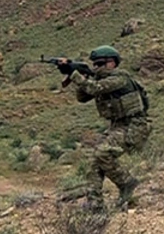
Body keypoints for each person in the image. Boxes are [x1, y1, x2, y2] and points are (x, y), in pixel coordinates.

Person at [61, 45, 150, 210]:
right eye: (95, 64)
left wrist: (74, 73)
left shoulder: (120, 78)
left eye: (101, 64)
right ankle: (94, 202)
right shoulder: (100, 80)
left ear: (112, 63)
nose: (97, 67)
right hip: (117, 126)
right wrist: (81, 75)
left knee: (103, 153)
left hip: (134, 125)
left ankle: (127, 183)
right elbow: (82, 97)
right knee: (94, 161)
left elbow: (94, 89)